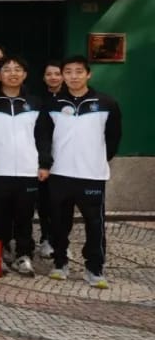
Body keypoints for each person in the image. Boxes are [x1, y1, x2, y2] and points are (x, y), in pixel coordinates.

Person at [44, 55, 122, 288]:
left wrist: (98, 159)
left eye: (79, 71)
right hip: (60, 173)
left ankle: (94, 268)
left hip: (92, 175)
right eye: (68, 72)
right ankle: (60, 263)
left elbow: (113, 138)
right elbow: (44, 136)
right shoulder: (52, 104)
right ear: (63, 76)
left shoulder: (106, 103)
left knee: (94, 223)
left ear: (88, 74)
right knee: (59, 222)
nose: (74, 76)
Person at [0, 56, 51, 276]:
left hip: (28, 169)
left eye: (18, 69)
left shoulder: (35, 103)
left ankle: (23, 255)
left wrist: (44, 164)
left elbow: (43, 136)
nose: (13, 73)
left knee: (24, 216)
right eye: (7, 69)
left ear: (25, 74)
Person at [35, 59, 64, 257]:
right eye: (49, 74)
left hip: (65, 156)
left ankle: (61, 241)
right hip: (42, 155)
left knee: (62, 203)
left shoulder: (70, 99)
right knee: (44, 200)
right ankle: (45, 238)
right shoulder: (37, 99)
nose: (53, 77)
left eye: (57, 73)